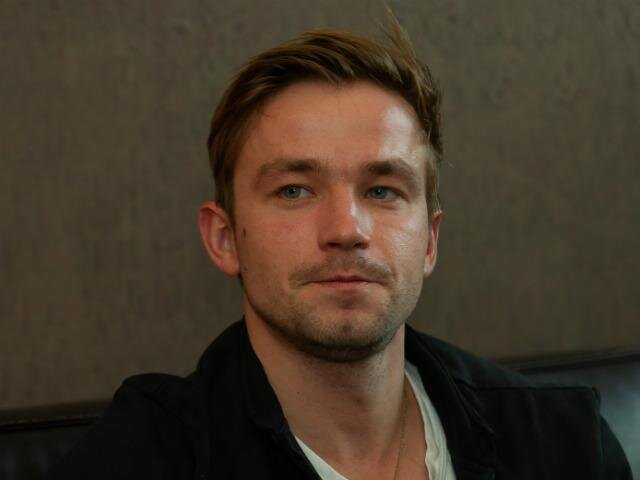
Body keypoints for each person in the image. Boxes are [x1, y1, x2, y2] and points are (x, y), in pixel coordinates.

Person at [49, 17, 631, 480]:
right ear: (225, 239)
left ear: (430, 240)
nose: (346, 228)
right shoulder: (138, 462)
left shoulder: (566, 443)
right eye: (294, 190)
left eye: (382, 190)